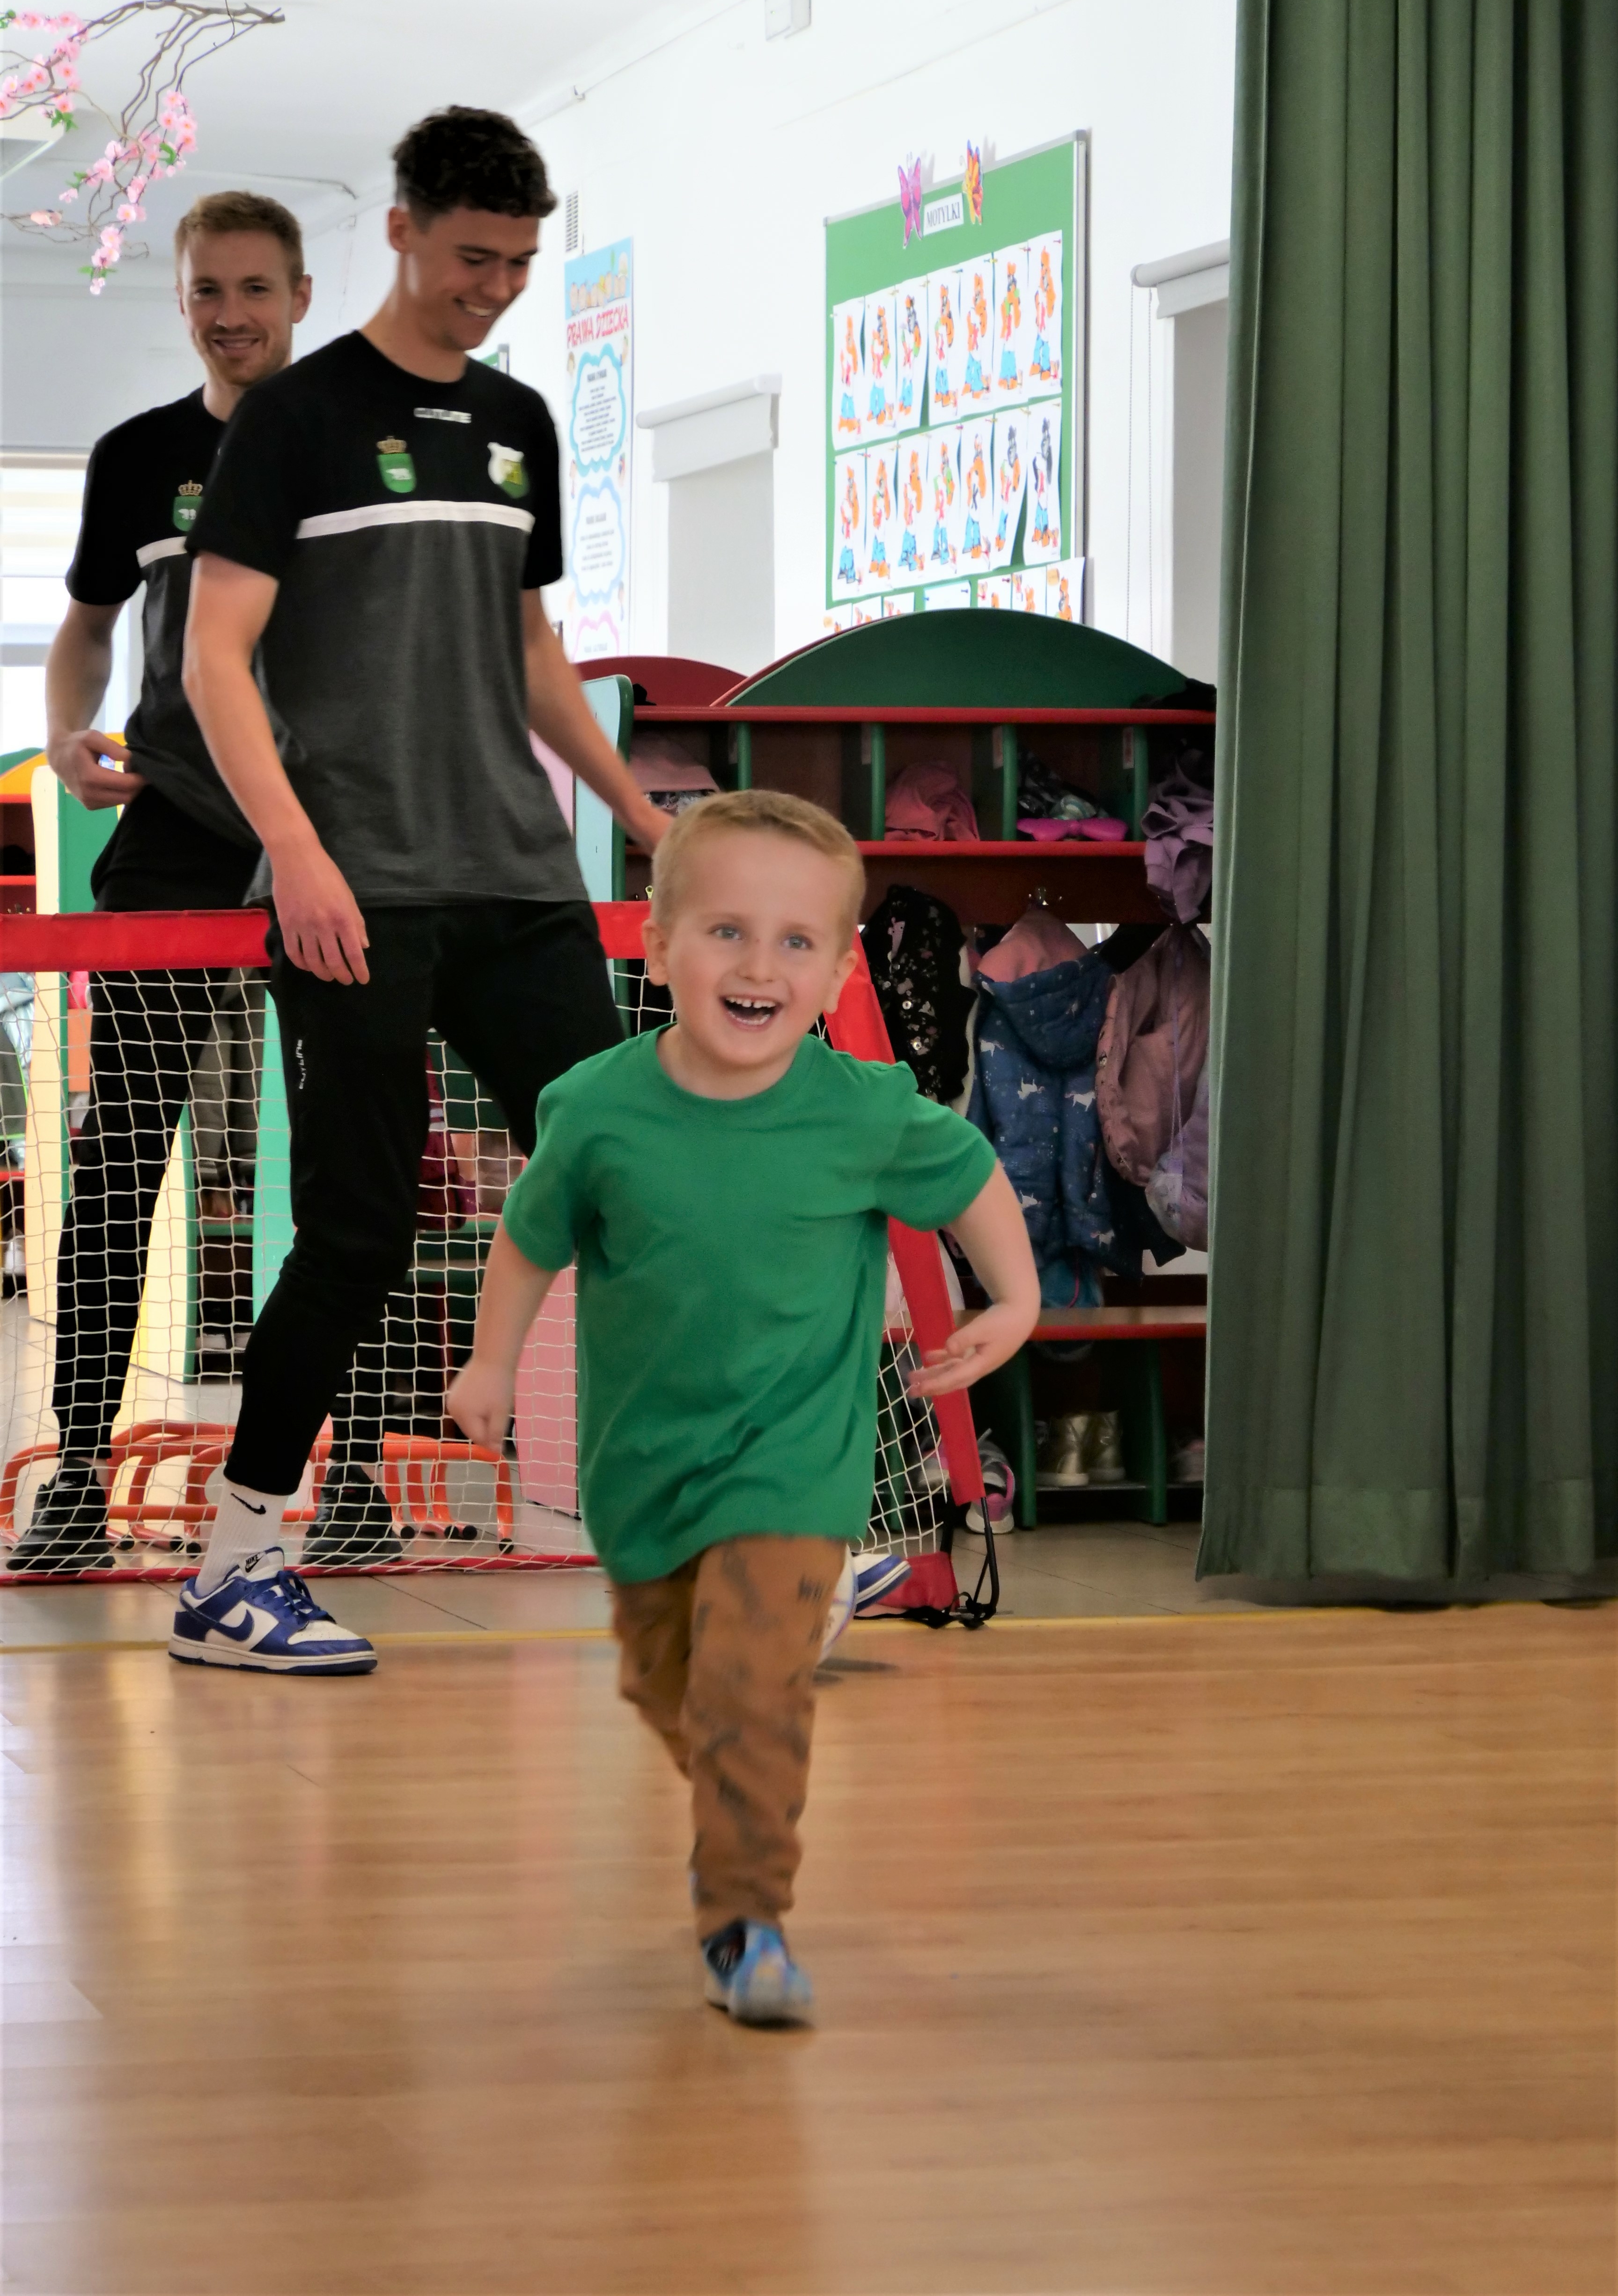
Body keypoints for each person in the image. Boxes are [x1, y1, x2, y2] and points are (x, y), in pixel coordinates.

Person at [169, 106, 668, 1674]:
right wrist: (299, 853)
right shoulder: (297, 418)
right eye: (470, 258)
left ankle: (728, 1537)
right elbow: (216, 656)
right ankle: (234, 1571)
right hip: (356, 887)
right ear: (399, 229)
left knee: (640, 1188)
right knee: (362, 1230)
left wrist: (638, 812)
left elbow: (529, 649)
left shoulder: (521, 423)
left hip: (519, 879)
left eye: (518, 263)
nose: (494, 290)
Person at [445, 791, 1040, 2024]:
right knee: (671, 1688)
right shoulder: (596, 1109)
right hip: (641, 1473)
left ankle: (746, 1917)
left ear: (836, 974)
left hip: (795, 1466)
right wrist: (491, 1364)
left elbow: (969, 1175)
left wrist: (1016, 1300)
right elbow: (529, 1237)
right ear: (659, 948)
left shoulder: (863, 1110)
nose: (759, 966)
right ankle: (731, 1800)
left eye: (795, 941)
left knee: (751, 1694)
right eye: (727, 932)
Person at [9, 193, 313, 1574]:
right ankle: (80, 1472)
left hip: (333, 838)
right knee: (120, 1154)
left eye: (254, 289)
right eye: (206, 291)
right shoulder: (139, 458)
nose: (230, 315)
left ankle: (353, 1478)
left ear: (300, 295)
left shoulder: (348, 447)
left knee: (350, 1167)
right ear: (181, 300)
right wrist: (65, 734)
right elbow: (85, 631)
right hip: (175, 834)